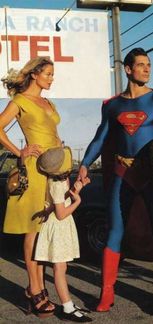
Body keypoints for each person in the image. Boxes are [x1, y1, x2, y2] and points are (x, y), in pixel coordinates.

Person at [78, 48, 153, 317]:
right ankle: (106, 293)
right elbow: (100, 139)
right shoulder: (113, 105)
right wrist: (85, 164)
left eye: (149, 65)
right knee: (114, 232)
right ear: (128, 69)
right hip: (122, 173)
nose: (147, 69)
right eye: (141, 65)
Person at [0, 57, 61, 317]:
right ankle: (34, 289)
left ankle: (39, 285)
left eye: (52, 74)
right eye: (47, 73)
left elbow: (53, 134)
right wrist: (19, 151)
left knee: (47, 229)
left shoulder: (48, 102)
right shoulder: (20, 101)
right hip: (34, 171)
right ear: (35, 74)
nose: (51, 78)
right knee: (33, 230)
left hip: (55, 169)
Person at [34, 146, 92, 323]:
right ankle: (67, 307)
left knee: (62, 267)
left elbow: (58, 201)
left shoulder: (56, 180)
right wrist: (78, 201)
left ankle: (69, 304)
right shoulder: (58, 183)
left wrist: (77, 188)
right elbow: (61, 214)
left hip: (59, 226)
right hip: (58, 227)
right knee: (60, 269)